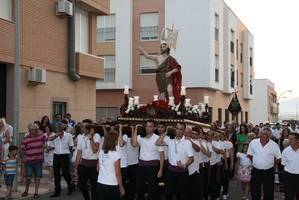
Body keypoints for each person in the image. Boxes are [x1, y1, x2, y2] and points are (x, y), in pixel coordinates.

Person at [156, 122, 194, 200]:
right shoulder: (170, 139)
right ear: (174, 129)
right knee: (168, 193)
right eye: (177, 128)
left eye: (181, 129)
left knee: (181, 195)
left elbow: (191, 158)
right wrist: (166, 132)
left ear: (184, 131)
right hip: (170, 172)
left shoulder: (187, 142)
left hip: (182, 173)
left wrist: (185, 165)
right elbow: (157, 143)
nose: (179, 131)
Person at [131, 120, 164, 200]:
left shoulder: (158, 138)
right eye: (146, 126)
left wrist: (160, 170)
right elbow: (134, 144)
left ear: (154, 128)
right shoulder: (141, 136)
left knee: (152, 190)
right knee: (139, 189)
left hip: (153, 167)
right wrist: (135, 129)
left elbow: (161, 156)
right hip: (141, 166)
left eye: (150, 126)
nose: (148, 128)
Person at [247, 127, 282, 200]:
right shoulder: (253, 142)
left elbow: (278, 158)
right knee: (255, 190)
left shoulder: (274, 145)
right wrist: (257, 162)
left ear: (269, 136)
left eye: (265, 135)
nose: (262, 137)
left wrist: (272, 164)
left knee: (268, 191)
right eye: (261, 135)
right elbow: (249, 155)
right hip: (256, 171)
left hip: (269, 171)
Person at [74, 122, 100, 200]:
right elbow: (79, 152)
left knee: (94, 187)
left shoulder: (96, 135)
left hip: (93, 165)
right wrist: (76, 167)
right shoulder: (80, 137)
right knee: (81, 185)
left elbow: (95, 150)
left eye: (85, 126)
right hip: (83, 164)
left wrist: (91, 137)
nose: (83, 128)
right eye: (82, 126)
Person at [97, 130, 125, 200]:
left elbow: (98, 168)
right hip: (112, 184)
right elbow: (118, 173)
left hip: (100, 182)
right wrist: (121, 187)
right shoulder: (116, 154)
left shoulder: (101, 152)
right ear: (114, 140)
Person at [21, 123, 46, 199]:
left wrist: (56, 135)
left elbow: (49, 138)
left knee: (37, 177)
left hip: (38, 160)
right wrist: (23, 157)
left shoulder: (42, 137)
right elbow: (22, 149)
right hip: (29, 160)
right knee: (28, 177)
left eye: (35, 129)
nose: (34, 131)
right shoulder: (25, 139)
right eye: (32, 129)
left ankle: (36, 192)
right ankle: (26, 190)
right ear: (29, 130)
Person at [49, 123, 74, 198]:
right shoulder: (53, 136)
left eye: (58, 129)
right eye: (56, 129)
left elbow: (71, 146)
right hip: (56, 155)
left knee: (65, 173)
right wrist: (55, 137)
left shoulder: (68, 136)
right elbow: (52, 146)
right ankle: (57, 191)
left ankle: (70, 185)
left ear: (62, 129)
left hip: (65, 156)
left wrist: (66, 152)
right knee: (56, 175)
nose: (56, 130)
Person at [281, 132, 299, 200]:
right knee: (288, 195)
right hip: (289, 176)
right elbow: (283, 164)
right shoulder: (285, 151)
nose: (289, 141)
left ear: (297, 140)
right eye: (289, 139)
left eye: (291, 139)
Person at [220, 132, 234, 200]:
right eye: (219, 135)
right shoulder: (217, 142)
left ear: (225, 135)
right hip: (218, 161)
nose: (220, 136)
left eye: (222, 135)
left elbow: (231, 154)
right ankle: (222, 188)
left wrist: (231, 163)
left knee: (226, 177)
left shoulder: (229, 143)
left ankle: (225, 193)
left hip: (226, 161)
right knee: (220, 177)